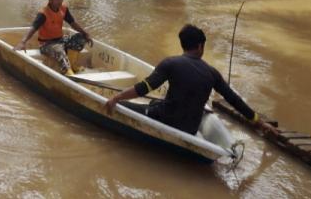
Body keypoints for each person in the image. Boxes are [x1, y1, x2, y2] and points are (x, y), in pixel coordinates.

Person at [103, 24, 275, 136]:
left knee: (122, 105)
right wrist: (259, 123)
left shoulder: (170, 63)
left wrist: (116, 98)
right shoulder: (212, 73)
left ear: (183, 44)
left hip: (165, 120)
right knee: (154, 104)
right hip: (190, 129)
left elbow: (144, 88)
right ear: (200, 46)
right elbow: (234, 100)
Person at [14, 0, 92, 76]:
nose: (60, 1)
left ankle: (73, 65)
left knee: (80, 38)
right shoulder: (43, 13)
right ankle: (68, 72)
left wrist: (85, 34)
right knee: (59, 50)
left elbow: (73, 23)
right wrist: (23, 42)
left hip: (60, 40)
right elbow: (33, 28)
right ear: (50, 0)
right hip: (47, 44)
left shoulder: (63, 9)